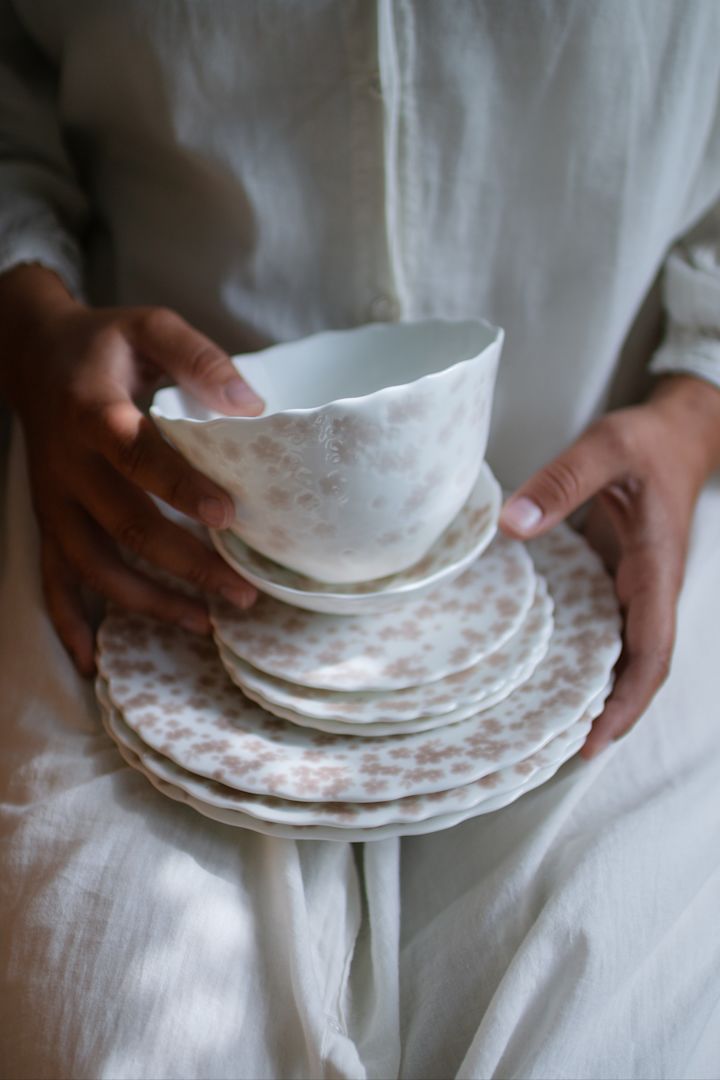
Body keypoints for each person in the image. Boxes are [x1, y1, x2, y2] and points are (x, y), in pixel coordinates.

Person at [1, 2, 720, 1077]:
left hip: (601, 506)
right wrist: (29, 322)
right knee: (110, 1029)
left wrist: (699, 404)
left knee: (614, 1024)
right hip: (150, 510)